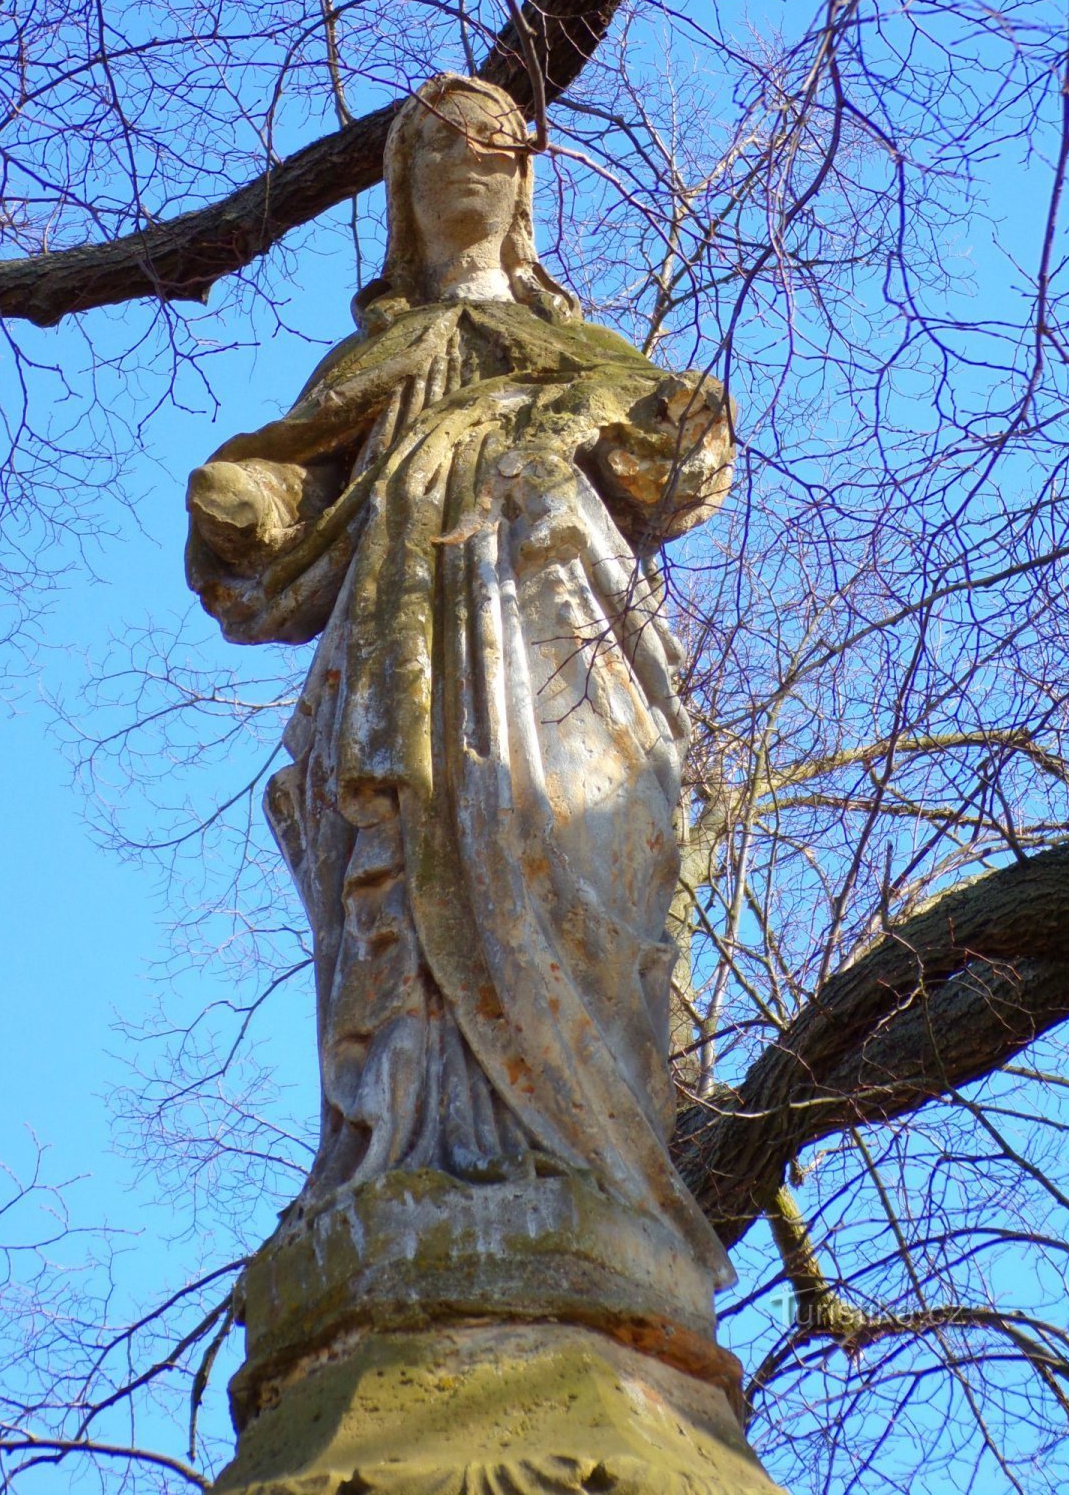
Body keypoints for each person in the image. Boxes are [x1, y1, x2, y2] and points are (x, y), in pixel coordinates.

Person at [187, 74, 736, 1278]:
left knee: (582, 854)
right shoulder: (370, 362)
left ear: (526, 180)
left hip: (560, 649)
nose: (472, 157)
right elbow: (294, 505)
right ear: (403, 190)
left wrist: (660, 424)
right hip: (404, 658)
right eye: (439, 143)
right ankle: (415, 1150)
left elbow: (679, 462)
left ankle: (596, 1171)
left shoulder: (586, 356)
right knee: (414, 849)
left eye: (498, 139)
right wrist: (252, 507)